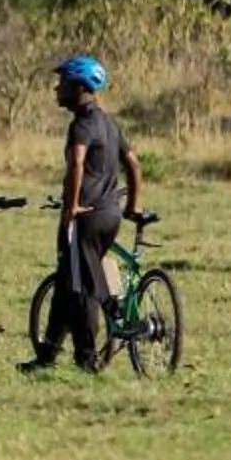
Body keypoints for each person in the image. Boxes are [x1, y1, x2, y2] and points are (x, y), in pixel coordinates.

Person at [24, 53, 142, 373]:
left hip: (86, 216)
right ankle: (47, 354)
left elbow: (76, 163)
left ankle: (87, 358)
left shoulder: (83, 124)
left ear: (78, 88)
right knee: (68, 281)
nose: (56, 88)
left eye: (62, 83)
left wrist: (72, 206)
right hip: (110, 214)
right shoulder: (109, 123)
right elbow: (133, 163)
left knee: (86, 289)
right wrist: (133, 204)